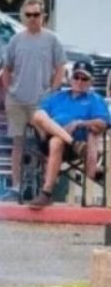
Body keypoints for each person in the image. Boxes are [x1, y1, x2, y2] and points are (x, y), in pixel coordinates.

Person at [0, 0, 66, 202]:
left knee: (43, 143)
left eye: (36, 14)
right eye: (29, 15)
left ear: (43, 15)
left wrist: (52, 90)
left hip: (41, 102)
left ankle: (45, 189)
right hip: (17, 101)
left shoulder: (52, 39)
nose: (33, 18)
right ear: (24, 16)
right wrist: (10, 89)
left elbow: (61, 67)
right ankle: (16, 187)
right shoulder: (16, 40)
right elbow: (6, 68)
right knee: (17, 143)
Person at [27, 60, 109, 207]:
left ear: (91, 81)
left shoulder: (95, 100)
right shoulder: (58, 96)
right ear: (71, 79)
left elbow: (102, 124)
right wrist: (50, 128)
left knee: (56, 141)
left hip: (70, 148)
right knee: (38, 114)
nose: (79, 81)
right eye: (76, 77)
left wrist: (79, 123)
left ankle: (46, 193)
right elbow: (38, 118)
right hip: (46, 138)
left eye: (84, 78)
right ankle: (72, 141)